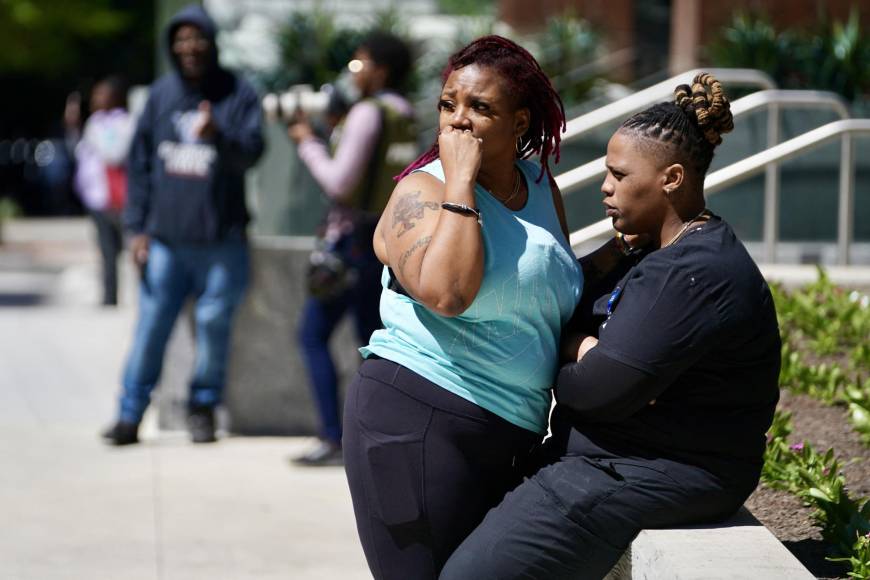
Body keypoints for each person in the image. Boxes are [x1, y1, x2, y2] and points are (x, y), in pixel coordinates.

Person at [439, 73, 782, 580]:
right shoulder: (651, 249)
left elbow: (595, 390)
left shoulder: (694, 271)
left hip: (656, 470)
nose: (605, 187)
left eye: (619, 176)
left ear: (671, 179)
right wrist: (586, 343)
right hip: (609, 460)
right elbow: (571, 314)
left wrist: (576, 354)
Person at [341, 36, 583, 579]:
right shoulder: (420, 193)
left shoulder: (542, 185)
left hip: (512, 432)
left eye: (480, 108)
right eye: (449, 104)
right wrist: (461, 181)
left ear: (520, 122)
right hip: (418, 420)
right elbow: (447, 293)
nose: (458, 121)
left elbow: (554, 289)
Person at [101, 4, 264, 446]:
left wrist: (219, 136)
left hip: (222, 242)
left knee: (214, 329)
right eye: (181, 40)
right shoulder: (160, 96)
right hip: (166, 243)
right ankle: (129, 414)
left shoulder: (239, 93)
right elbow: (139, 168)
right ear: (172, 46)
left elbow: (252, 152)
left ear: (212, 43)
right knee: (151, 328)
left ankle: (203, 408)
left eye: (198, 39)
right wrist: (136, 229)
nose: (190, 47)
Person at [286, 31, 418, 466]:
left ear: (379, 70)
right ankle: (381, 435)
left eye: (359, 63)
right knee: (373, 343)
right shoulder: (404, 112)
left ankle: (332, 436)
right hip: (386, 243)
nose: (352, 73)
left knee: (312, 335)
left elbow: (340, 183)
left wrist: (307, 142)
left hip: (350, 243)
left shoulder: (366, 113)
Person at [73, 76, 134, 306]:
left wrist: (97, 135)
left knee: (127, 248)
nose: (97, 99)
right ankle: (110, 297)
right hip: (98, 198)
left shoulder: (123, 123)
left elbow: (114, 154)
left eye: (102, 94)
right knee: (106, 250)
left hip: (119, 197)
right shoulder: (94, 123)